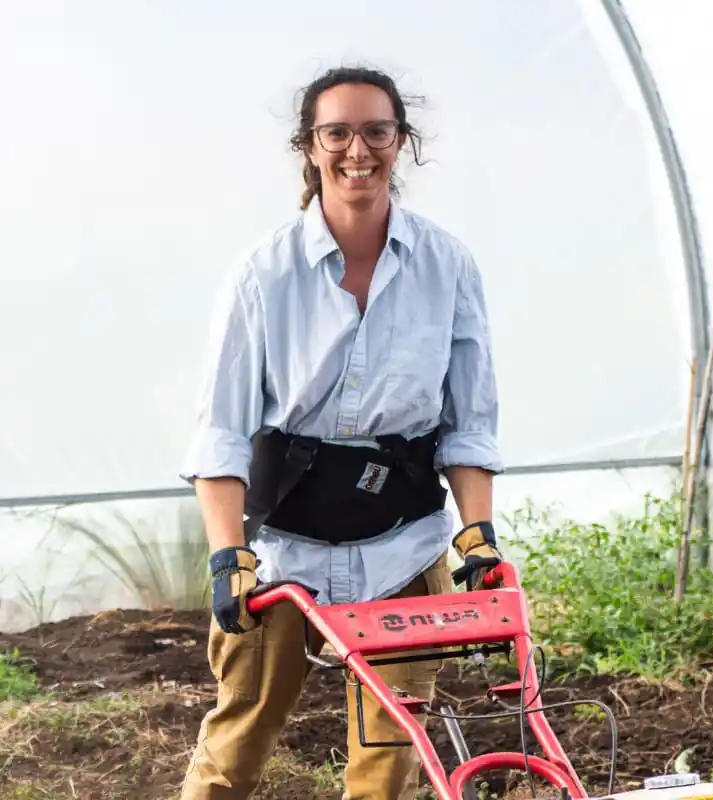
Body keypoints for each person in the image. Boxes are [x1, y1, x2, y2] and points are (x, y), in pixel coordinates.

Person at [178, 64, 505, 800]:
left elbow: (469, 423)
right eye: (337, 132)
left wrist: (476, 537)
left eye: (376, 130)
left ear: (402, 141)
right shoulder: (262, 275)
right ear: (310, 145)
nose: (358, 149)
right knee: (237, 741)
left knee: (389, 756)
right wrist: (229, 552)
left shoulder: (446, 266)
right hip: (283, 552)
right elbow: (222, 431)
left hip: (403, 543)